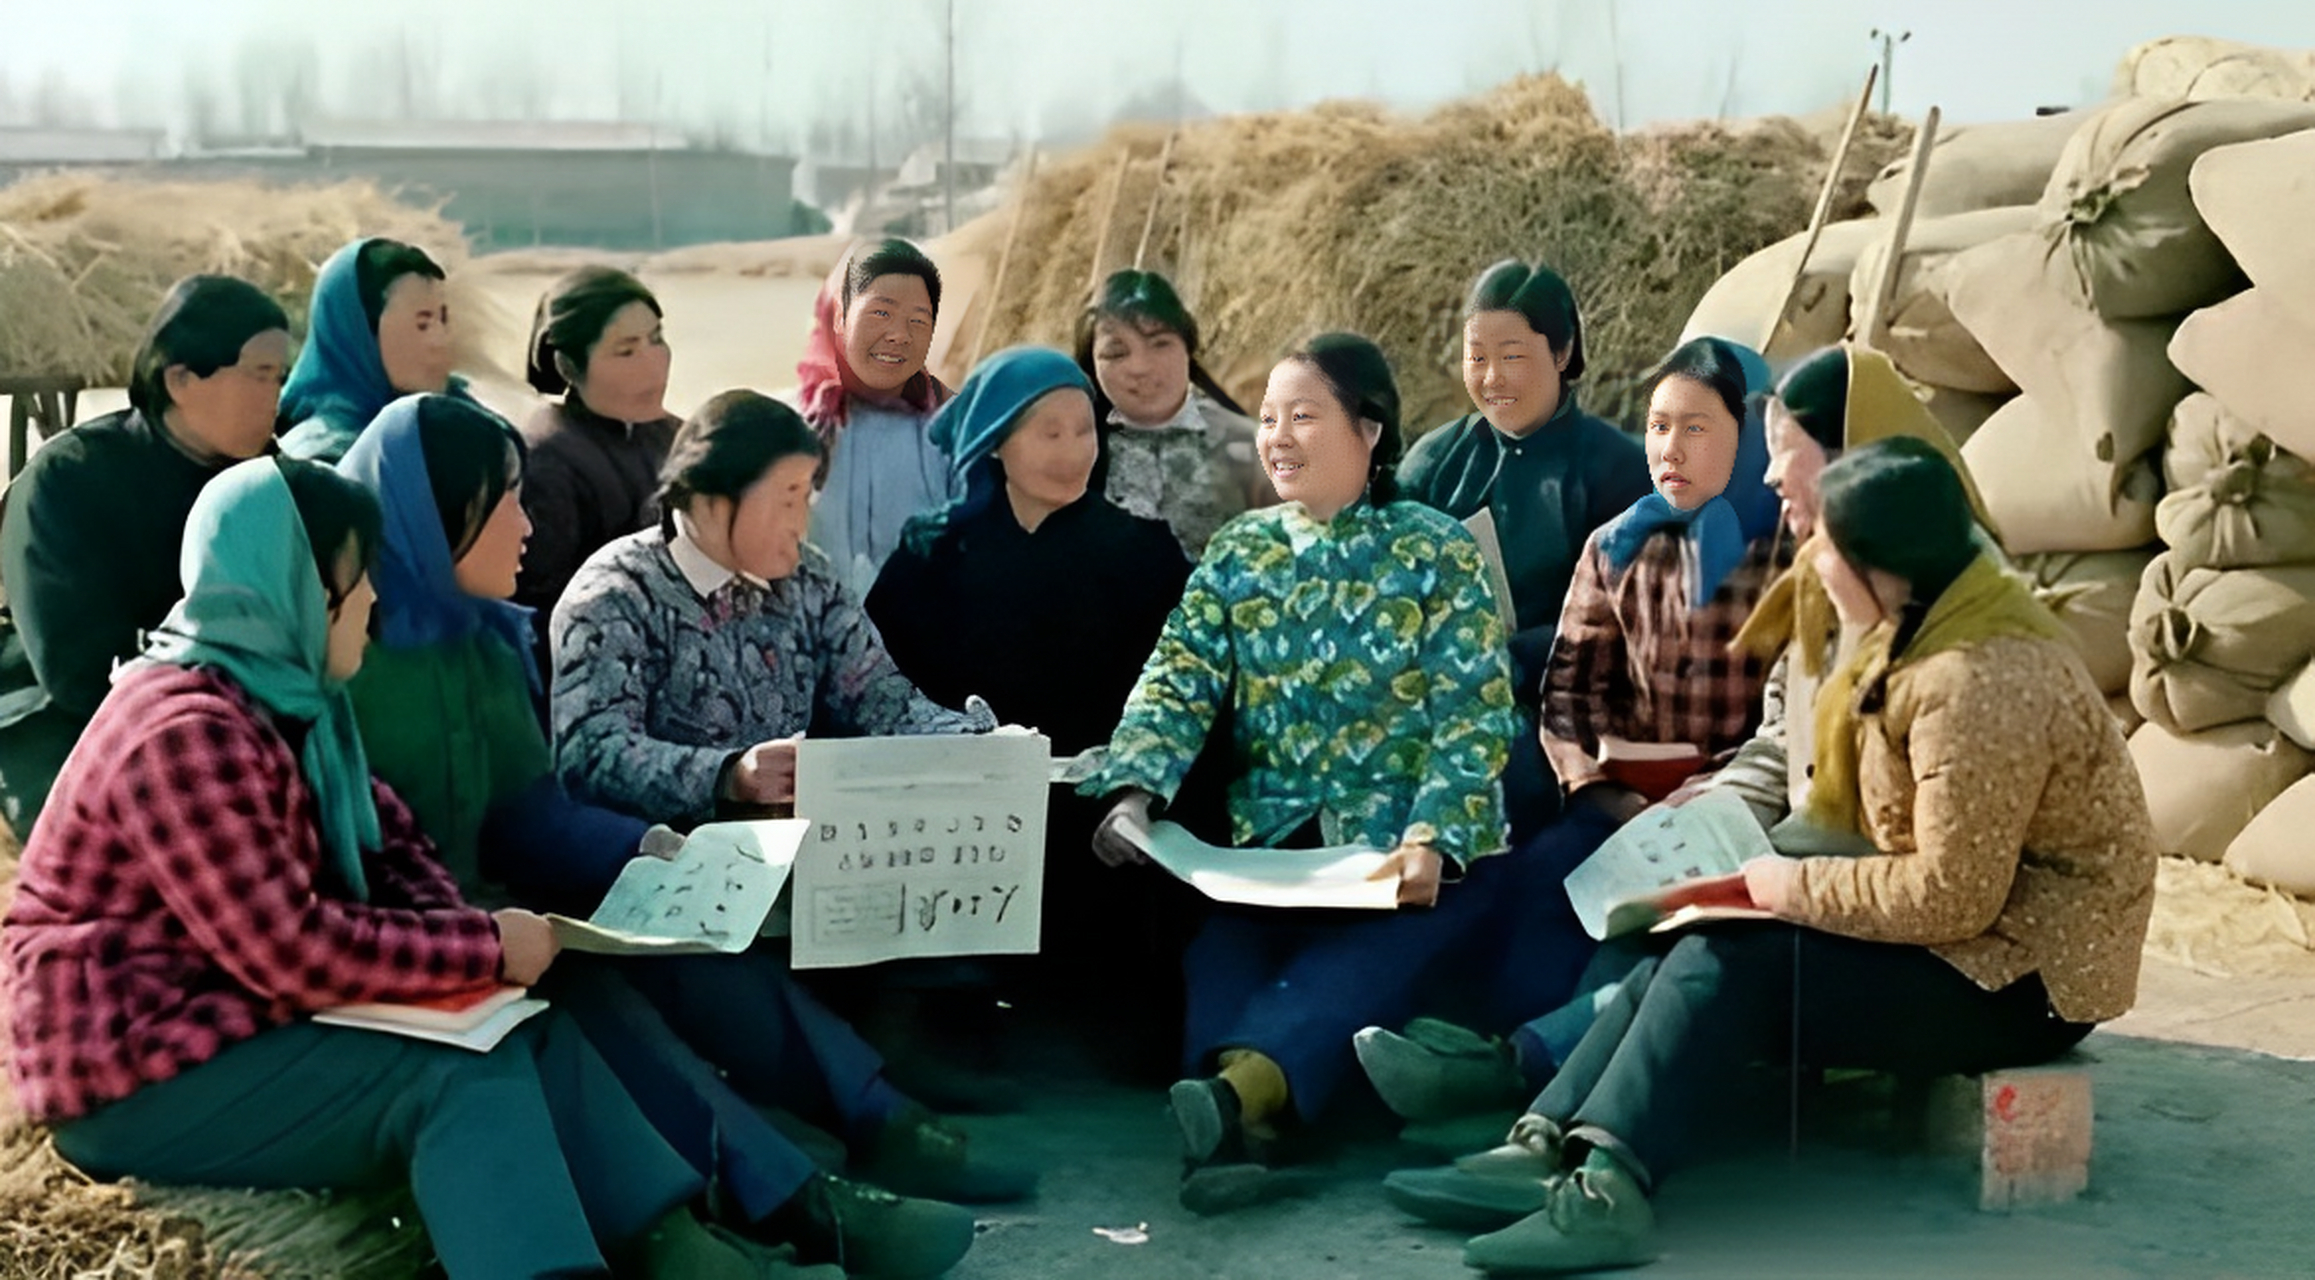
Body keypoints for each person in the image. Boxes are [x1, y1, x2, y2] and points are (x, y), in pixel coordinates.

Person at [1, 455, 840, 1279]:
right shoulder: (184, 732)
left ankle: (680, 1249)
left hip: (234, 1016)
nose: (370, 598)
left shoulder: (291, 702)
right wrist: (478, 949)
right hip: (138, 1069)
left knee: (522, 1019)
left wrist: (479, 954)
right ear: (294, 585)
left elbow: (392, 851)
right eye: (352, 577)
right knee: (455, 1076)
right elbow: (290, 952)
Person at [1381, 437, 2156, 1276]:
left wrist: (1783, 886)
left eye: (1827, 546)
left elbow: (1953, 895)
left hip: (2026, 978)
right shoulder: (1912, 626)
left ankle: (1609, 1186)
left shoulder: (1979, 678)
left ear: (1878, 564)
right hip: (1967, 943)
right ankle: (1548, 1142)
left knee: (1732, 960)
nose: (1810, 563)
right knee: (1693, 939)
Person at [337, 393, 1013, 1274]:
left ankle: (861, 1138)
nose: (526, 522)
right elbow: (581, 760)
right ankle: (767, 1211)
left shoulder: (482, 642)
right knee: (604, 1011)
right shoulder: (360, 657)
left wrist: (649, 856)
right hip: (429, 938)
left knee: (674, 964)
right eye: (501, 500)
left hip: (530, 906)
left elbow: (526, 807)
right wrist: (710, 788)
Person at [1076, 333, 1518, 1212]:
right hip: (1271, 843)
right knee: (1223, 949)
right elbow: (1179, 678)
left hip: (1398, 851)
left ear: (1370, 430)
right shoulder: (1239, 553)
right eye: (1268, 418)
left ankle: (1238, 1104)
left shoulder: (1434, 551)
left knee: (1363, 957)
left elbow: (1474, 712)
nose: (1275, 437)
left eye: (1303, 416)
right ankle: (1248, 1111)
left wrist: (1433, 837)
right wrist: (1134, 788)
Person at [1354, 336, 1784, 1123]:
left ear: (1746, 433)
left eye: (1697, 429)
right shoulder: (1617, 546)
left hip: (1742, 813)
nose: (1669, 450)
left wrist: (1713, 792)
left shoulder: (1787, 556)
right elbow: (1568, 694)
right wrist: (1603, 788)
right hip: (1625, 802)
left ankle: (1525, 1086)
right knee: (1545, 879)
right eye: (1657, 428)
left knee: (1670, 931)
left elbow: (1791, 720)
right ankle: (1501, 1068)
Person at [867, 346, 1193, 1004]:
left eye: (1084, 431)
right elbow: (876, 688)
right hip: (966, 815)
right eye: (1049, 433)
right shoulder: (933, 555)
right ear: (995, 444)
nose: (1073, 452)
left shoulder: (1142, 554)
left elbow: (1187, 694)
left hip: (1102, 810)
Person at [552, 389, 993, 827]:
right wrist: (728, 776)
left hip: (802, 858)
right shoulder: (617, 593)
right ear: (712, 499)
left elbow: (877, 696)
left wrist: (982, 745)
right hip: (663, 865)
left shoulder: (810, 580)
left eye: (807, 497)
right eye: (788, 499)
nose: (801, 523)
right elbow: (590, 752)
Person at [0, 275, 290, 836]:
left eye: (280, 377)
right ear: (181, 378)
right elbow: (74, 666)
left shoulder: (270, 482)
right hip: (71, 717)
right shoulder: (71, 478)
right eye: (259, 375)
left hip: (235, 716)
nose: (275, 395)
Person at [1398, 261, 1651, 838]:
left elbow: (1630, 622)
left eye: (1511, 356)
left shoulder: (1615, 468)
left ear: (1561, 353)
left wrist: (1510, 657)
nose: (1491, 379)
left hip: (1559, 705)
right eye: (1475, 357)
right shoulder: (1436, 461)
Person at [513, 265, 682, 670]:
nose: (652, 363)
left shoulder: (677, 437)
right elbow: (538, 615)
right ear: (569, 366)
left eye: (656, 339)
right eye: (626, 350)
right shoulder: (545, 459)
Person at [1074, 269, 1272, 558]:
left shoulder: (1246, 443)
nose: (1140, 366)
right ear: (1090, 363)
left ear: (1187, 348)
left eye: (1160, 344)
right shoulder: (1074, 453)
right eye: (1116, 353)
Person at [796, 238, 955, 598]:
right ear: (837, 315)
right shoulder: (790, 425)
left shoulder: (951, 428)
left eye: (917, 320)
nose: (898, 336)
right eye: (880, 314)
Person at [279, 237, 473, 463]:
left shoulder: (464, 427)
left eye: (443, 319)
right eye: (423, 325)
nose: (440, 341)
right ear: (361, 332)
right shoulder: (323, 461)